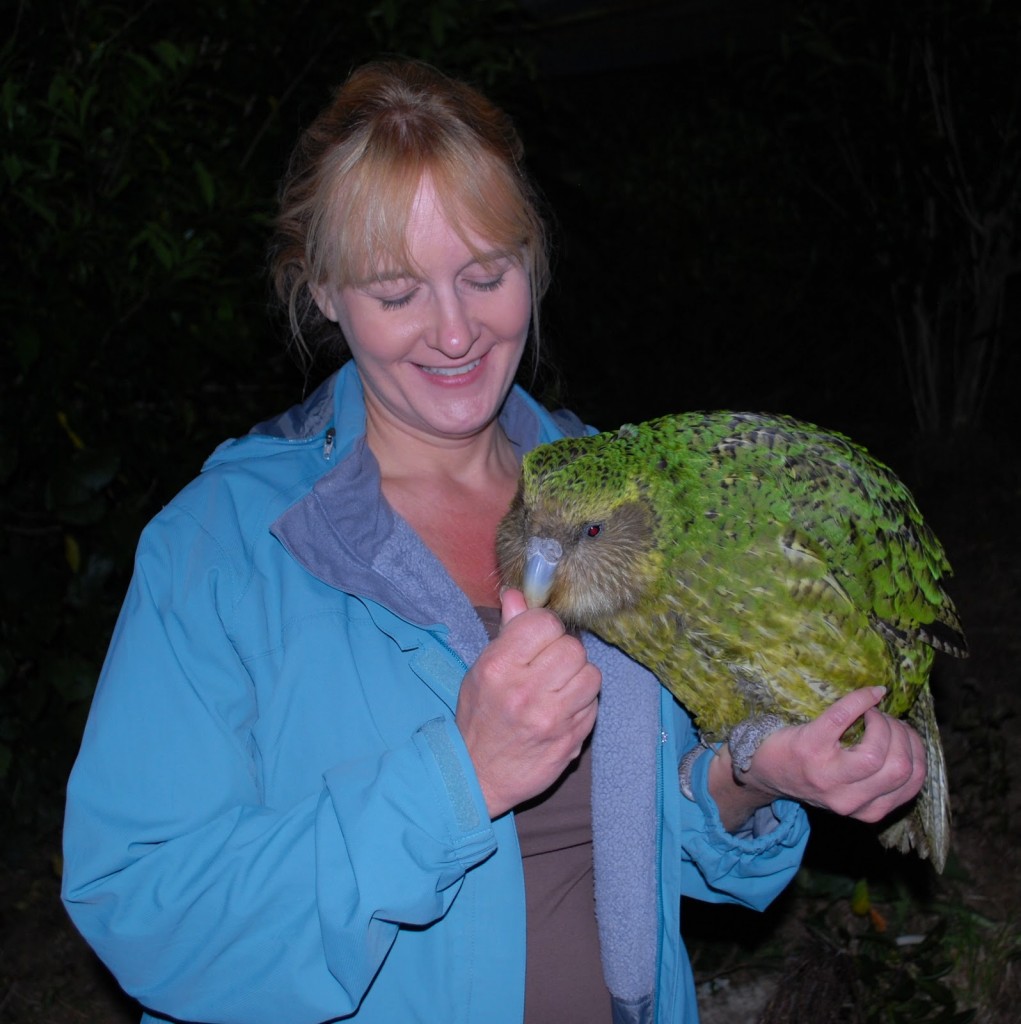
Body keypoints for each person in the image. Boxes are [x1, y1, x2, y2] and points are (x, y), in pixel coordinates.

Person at [61, 59, 926, 1024]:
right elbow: (146, 914)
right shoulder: (225, 545)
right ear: (322, 295)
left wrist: (751, 773)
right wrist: (457, 779)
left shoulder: (609, 488)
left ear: (534, 263)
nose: (455, 332)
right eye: (397, 293)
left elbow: (643, 839)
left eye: (486, 275)